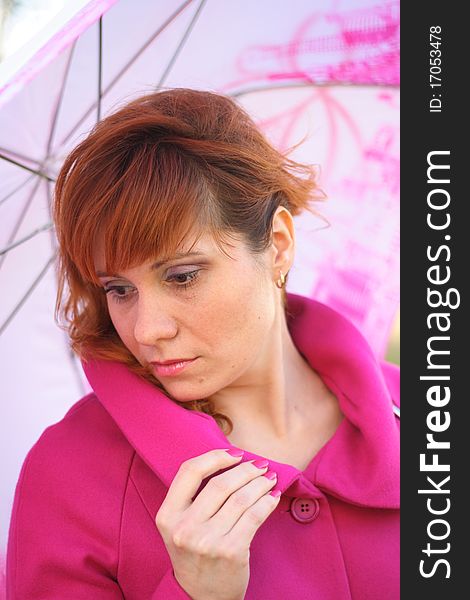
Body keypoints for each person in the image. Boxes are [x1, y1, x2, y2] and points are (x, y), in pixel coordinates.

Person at [6, 88, 399, 599]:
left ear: (277, 244)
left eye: (182, 276)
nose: (147, 331)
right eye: (119, 290)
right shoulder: (70, 474)